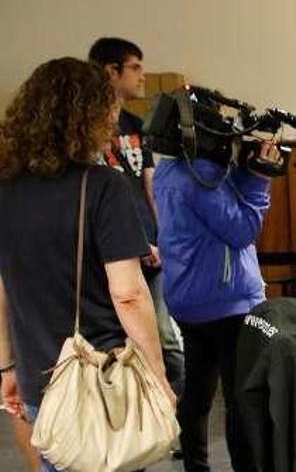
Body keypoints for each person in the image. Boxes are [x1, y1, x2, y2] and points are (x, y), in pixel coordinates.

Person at [0, 57, 175, 472]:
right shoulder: (102, 186)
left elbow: (2, 288)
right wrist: (157, 375)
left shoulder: (4, 188)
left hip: (37, 375)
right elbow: (129, 293)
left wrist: (6, 365)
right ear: (90, 116)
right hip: (101, 379)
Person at [153, 126, 281, 470]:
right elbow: (241, 230)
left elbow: (218, 208)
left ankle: (195, 465)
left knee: (198, 390)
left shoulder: (170, 169)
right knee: (242, 399)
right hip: (227, 302)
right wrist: (258, 179)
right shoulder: (203, 176)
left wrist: (241, 172)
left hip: (188, 299)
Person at [88, 37, 185, 397]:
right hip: (114, 254)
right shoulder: (86, 133)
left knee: (165, 339)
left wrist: (163, 238)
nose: (142, 76)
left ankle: (175, 423)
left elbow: (150, 186)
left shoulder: (136, 125)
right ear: (110, 71)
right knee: (114, 343)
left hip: (152, 250)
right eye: (135, 67)